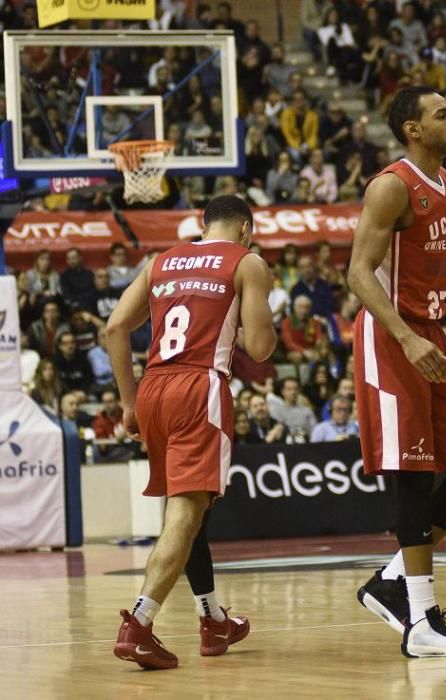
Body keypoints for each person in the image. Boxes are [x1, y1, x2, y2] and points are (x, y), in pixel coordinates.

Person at [347, 86, 446, 658]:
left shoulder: (445, 184)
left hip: (431, 335)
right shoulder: (391, 185)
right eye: (443, 115)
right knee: (412, 477)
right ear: (413, 128)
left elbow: (439, 269)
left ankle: (392, 582)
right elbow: (359, 274)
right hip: (393, 339)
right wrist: (407, 337)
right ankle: (421, 622)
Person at [106, 195, 276, 670]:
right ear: (245, 227)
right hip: (199, 385)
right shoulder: (248, 262)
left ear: (203, 225)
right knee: (184, 514)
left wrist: (127, 402)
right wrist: (252, 320)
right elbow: (260, 351)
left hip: (153, 387)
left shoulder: (160, 260)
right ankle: (138, 624)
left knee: (189, 510)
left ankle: (213, 618)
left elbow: (116, 327)